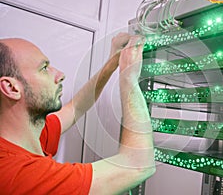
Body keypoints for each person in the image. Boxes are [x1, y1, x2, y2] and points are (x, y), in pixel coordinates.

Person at [0, 33, 156, 194]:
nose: (60, 75)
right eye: (44, 68)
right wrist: (128, 78)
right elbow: (139, 165)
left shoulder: (28, 135)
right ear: (11, 88)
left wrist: (112, 62)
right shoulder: (17, 174)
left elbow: (76, 107)